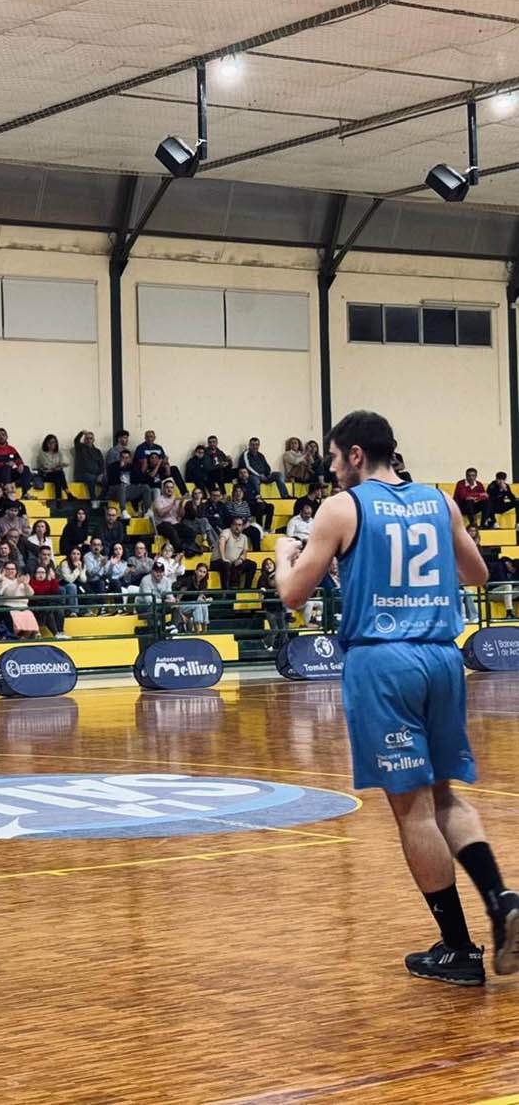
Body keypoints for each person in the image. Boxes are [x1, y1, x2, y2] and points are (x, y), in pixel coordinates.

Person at [275, 409, 519, 986]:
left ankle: (458, 949)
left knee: (409, 807)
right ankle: (502, 898)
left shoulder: (342, 508)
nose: (332, 470)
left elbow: (292, 595)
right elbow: (479, 574)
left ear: (356, 455)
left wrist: (288, 553)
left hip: (383, 660)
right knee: (443, 795)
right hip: (442, 655)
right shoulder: (440, 501)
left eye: (334, 459)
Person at [212, 517, 256, 590]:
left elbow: (244, 553)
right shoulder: (226, 532)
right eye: (235, 524)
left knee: (252, 565)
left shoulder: (244, 537)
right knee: (226, 565)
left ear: (242, 527)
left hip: (233, 563)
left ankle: (247, 590)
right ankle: (226, 592)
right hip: (218, 561)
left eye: (239, 525)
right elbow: (221, 543)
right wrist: (223, 558)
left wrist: (241, 559)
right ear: (231, 525)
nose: (237, 527)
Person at [72, 430, 106, 502]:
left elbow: (102, 464)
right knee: (91, 478)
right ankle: (93, 500)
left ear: (93, 440)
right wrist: (81, 433)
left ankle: (101, 498)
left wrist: (101, 474)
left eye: (90, 438)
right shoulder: (80, 447)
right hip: (81, 475)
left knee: (106, 479)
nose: (88, 440)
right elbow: (76, 440)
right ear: (84, 440)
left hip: (96, 475)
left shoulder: (97, 451)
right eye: (87, 438)